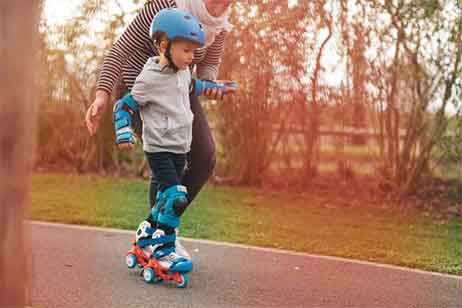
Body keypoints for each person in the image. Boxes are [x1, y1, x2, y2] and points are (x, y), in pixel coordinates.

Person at [85, 0, 234, 261]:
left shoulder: (221, 23)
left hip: (179, 86)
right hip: (141, 88)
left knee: (203, 157)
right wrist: (102, 95)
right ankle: (161, 238)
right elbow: (122, 48)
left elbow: (208, 65)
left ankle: (157, 228)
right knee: (166, 159)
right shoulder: (167, 4)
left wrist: (210, 84)